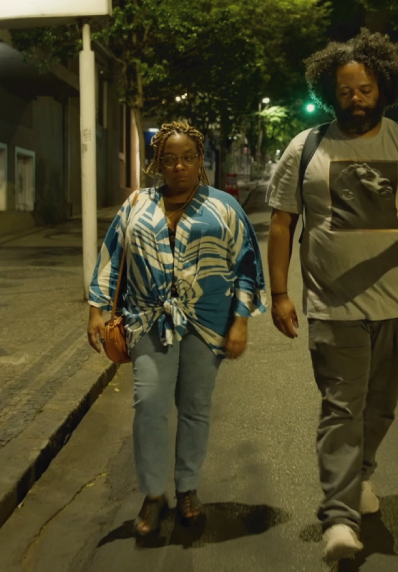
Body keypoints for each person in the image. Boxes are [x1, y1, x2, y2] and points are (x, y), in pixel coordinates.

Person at [265, 30, 398, 562]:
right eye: (346, 89)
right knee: (341, 406)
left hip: (397, 300)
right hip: (332, 303)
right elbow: (282, 223)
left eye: (365, 88)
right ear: (331, 92)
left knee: (380, 408)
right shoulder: (305, 148)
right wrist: (279, 292)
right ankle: (339, 518)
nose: (356, 98)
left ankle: (359, 477)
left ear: (385, 87)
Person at [87, 122, 267, 537]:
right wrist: (96, 309)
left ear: (200, 161)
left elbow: (246, 267)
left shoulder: (223, 207)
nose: (179, 166)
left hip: (208, 323)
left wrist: (240, 322)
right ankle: (153, 494)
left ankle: (187, 489)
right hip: (148, 319)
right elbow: (112, 254)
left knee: (195, 407)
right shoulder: (136, 205)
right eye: (170, 159)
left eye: (188, 158)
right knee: (149, 404)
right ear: (158, 163)